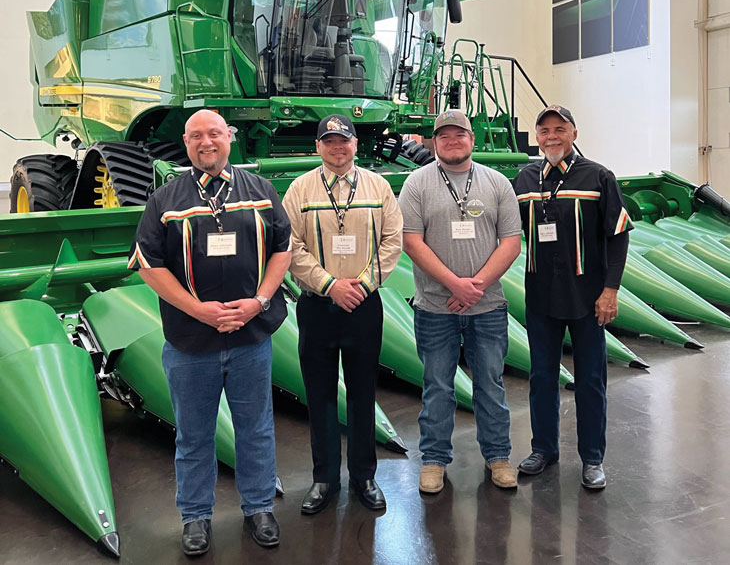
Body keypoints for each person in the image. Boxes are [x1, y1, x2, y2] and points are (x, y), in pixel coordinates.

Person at [127, 109, 291, 555]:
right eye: (196, 136)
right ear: (186, 143)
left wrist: (259, 300)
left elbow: (283, 249)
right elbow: (148, 264)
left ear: (229, 138)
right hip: (190, 342)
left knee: (255, 427)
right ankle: (195, 517)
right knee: (194, 434)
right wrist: (197, 310)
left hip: (250, 338)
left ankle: (259, 507)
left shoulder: (260, 191)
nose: (206, 143)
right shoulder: (165, 200)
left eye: (214, 133)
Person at [281, 114, 403, 515]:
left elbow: (392, 242)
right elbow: (290, 247)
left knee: (364, 392)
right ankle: (325, 479)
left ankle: (365, 476)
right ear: (318, 147)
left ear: (354, 144)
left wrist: (363, 285)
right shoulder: (299, 191)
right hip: (318, 306)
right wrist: (329, 285)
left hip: (364, 306)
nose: (338, 147)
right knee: (319, 396)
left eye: (344, 140)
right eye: (329, 141)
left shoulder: (379, 187)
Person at [399, 109, 522, 494]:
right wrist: (455, 284)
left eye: (460, 135)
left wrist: (477, 286)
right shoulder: (417, 184)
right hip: (435, 308)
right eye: (444, 136)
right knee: (437, 386)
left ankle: (499, 456)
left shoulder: (497, 183)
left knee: (490, 384)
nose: (452, 142)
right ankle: (434, 461)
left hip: (488, 308)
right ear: (434, 143)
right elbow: (411, 241)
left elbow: (511, 242)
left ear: (473, 139)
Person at [512, 105, 633, 490]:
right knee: (541, 377)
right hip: (541, 298)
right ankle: (543, 449)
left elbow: (618, 235)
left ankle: (592, 458)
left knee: (590, 380)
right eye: (544, 130)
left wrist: (610, 290)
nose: (551, 137)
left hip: (587, 299)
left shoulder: (598, 176)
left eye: (559, 129)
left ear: (574, 134)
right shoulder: (525, 178)